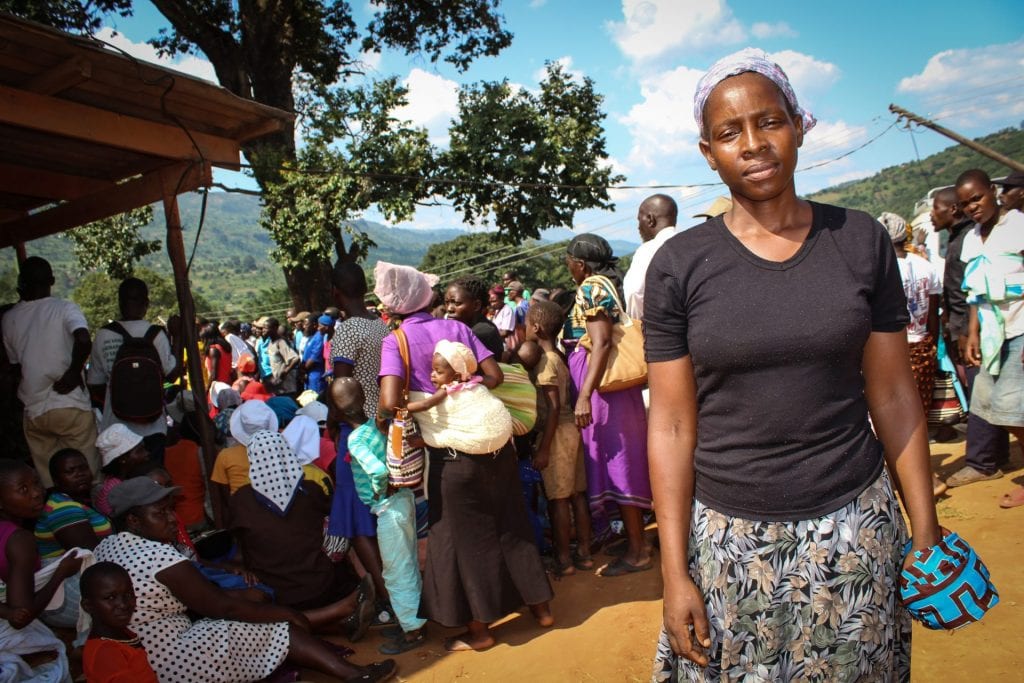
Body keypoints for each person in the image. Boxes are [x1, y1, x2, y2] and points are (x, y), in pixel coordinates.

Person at [644, 48, 940, 681]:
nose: (753, 144)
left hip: (854, 527)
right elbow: (669, 424)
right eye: (729, 133)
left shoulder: (860, 242)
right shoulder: (679, 266)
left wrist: (926, 533)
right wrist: (674, 573)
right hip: (727, 540)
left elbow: (891, 396)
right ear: (708, 152)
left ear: (798, 126)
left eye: (769, 121)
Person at [375, 260, 552, 652]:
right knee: (511, 524)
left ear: (392, 305)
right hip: (497, 444)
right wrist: (464, 387)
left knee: (460, 540)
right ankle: (541, 609)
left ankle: (480, 632)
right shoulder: (456, 327)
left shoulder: (397, 342)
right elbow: (495, 377)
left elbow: (390, 402)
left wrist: (431, 399)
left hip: (453, 456)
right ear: (426, 296)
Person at [94, 477, 396, 682]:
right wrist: (284, 614)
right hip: (171, 659)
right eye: (161, 513)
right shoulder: (158, 557)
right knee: (267, 624)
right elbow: (222, 608)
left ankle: (338, 619)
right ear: (133, 520)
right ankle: (355, 674)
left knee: (252, 608)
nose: (174, 519)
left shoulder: (106, 546)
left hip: (141, 651)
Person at [229, 431, 377, 638]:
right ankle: (341, 612)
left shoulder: (240, 500)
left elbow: (243, 547)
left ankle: (333, 620)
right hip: (323, 586)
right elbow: (337, 526)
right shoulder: (312, 489)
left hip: (276, 592)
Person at [563, 233, 653, 575]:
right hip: (607, 392)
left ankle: (638, 551)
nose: (569, 268)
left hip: (604, 393)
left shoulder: (590, 288)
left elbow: (600, 343)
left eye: (569, 262)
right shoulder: (605, 284)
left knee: (620, 465)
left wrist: (585, 395)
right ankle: (635, 540)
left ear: (580, 264)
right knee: (621, 463)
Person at [333, 378, 427, 655]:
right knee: (407, 563)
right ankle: (414, 619)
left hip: (388, 507)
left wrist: (378, 490)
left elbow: (377, 471)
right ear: (363, 398)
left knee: (396, 571)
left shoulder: (355, 438)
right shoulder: (377, 424)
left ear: (337, 412)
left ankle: (412, 632)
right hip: (404, 501)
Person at [933, 187, 1012, 488]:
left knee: (981, 395)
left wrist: (968, 332)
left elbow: (969, 292)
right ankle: (999, 455)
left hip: (975, 330)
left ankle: (981, 462)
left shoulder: (973, 238)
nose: (932, 214)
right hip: (969, 328)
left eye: (937, 208)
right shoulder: (965, 238)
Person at [956, 168, 1024, 509]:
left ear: (993, 192)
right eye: (965, 203)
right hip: (990, 332)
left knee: (1013, 410)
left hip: (1020, 327)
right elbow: (975, 293)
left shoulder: (1018, 226)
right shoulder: (972, 238)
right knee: (990, 406)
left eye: (977, 198)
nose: (972, 207)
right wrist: (972, 333)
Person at [2, 256, 97, 487]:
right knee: (87, 476)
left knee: (50, 481)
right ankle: (92, 519)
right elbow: (84, 338)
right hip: (70, 403)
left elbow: (16, 366)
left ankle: (58, 517)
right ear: (52, 280)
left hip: (34, 409)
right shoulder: (64, 308)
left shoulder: (10, 318)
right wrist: (74, 372)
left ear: (21, 283)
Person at [525, 300, 593, 577]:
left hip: (556, 435)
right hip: (570, 432)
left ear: (537, 328)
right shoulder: (559, 357)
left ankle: (564, 559)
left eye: (528, 323)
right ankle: (585, 553)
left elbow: (553, 407)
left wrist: (543, 448)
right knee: (576, 494)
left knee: (557, 500)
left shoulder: (546, 362)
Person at [0, 460, 79, 683]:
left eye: (36, 483)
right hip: (8, 622)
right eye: (23, 489)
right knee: (55, 656)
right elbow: (20, 617)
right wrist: (61, 572)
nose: (36, 494)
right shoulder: (19, 540)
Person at [87, 277, 178, 464]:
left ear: (120, 302)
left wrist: (121, 400)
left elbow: (95, 385)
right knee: (153, 482)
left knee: (122, 484)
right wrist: (178, 337)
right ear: (146, 303)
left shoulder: (103, 335)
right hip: (153, 426)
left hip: (116, 427)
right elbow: (171, 374)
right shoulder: (157, 334)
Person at [80, 561, 159, 683]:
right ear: (88, 605)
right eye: (110, 598)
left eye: (128, 594)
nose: (123, 605)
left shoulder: (120, 633)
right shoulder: (105, 654)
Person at [34, 449, 112, 560]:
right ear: (56, 480)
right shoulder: (63, 508)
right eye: (70, 471)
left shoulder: (76, 500)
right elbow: (90, 557)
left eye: (84, 468)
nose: (80, 474)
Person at [623, 194, 679, 320]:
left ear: (650, 219)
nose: (638, 227)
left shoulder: (648, 250)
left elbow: (635, 293)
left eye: (639, 220)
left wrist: (638, 324)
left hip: (658, 329)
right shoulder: (690, 244)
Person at [94, 424, 152, 518]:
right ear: (123, 459)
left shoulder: (121, 481)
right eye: (140, 451)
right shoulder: (117, 490)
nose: (147, 453)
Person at [444, 276, 505, 360]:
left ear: (476, 305)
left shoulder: (480, 332)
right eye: (447, 303)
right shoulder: (468, 328)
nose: (449, 309)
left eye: (457, 303)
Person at [264, 318, 300, 395]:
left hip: (287, 386)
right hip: (279, 385)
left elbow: (295, 358)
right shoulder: (271, 343)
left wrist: (285, 371)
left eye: (266, 328)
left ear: (274, 328)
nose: (263, 330)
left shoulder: (281, 342)